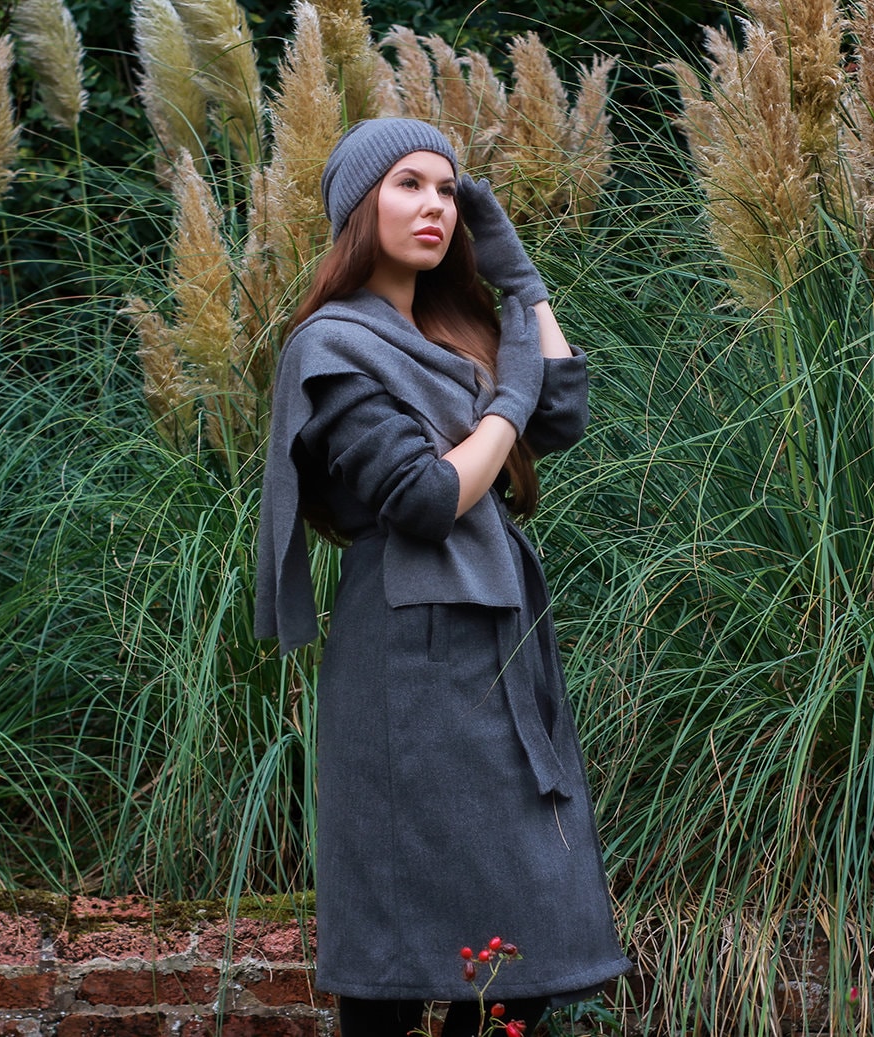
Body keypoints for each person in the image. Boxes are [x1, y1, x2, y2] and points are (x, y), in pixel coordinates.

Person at [255, 117, 630, 1037]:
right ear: (359, 207)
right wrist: (508, 398)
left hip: (495, 638)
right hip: (406, 653)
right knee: (395, 936)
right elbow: (425, 496)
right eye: (408, 184)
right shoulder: (332, 345)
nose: (434, 205)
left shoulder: (453, 329)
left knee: (524, 930)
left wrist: (520, 282)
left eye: (447, 190)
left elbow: (560, 410)